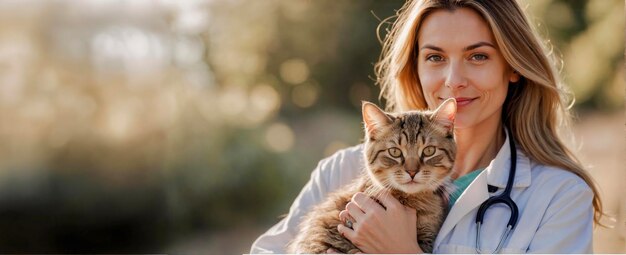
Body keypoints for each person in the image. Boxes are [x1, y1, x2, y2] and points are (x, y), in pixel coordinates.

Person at [250, 0, 604, 253]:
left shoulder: (560, 197)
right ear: (415, 68)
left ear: (513, 66)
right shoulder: (339, 171)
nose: (454, 81)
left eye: (477, 56)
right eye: (435, 57)